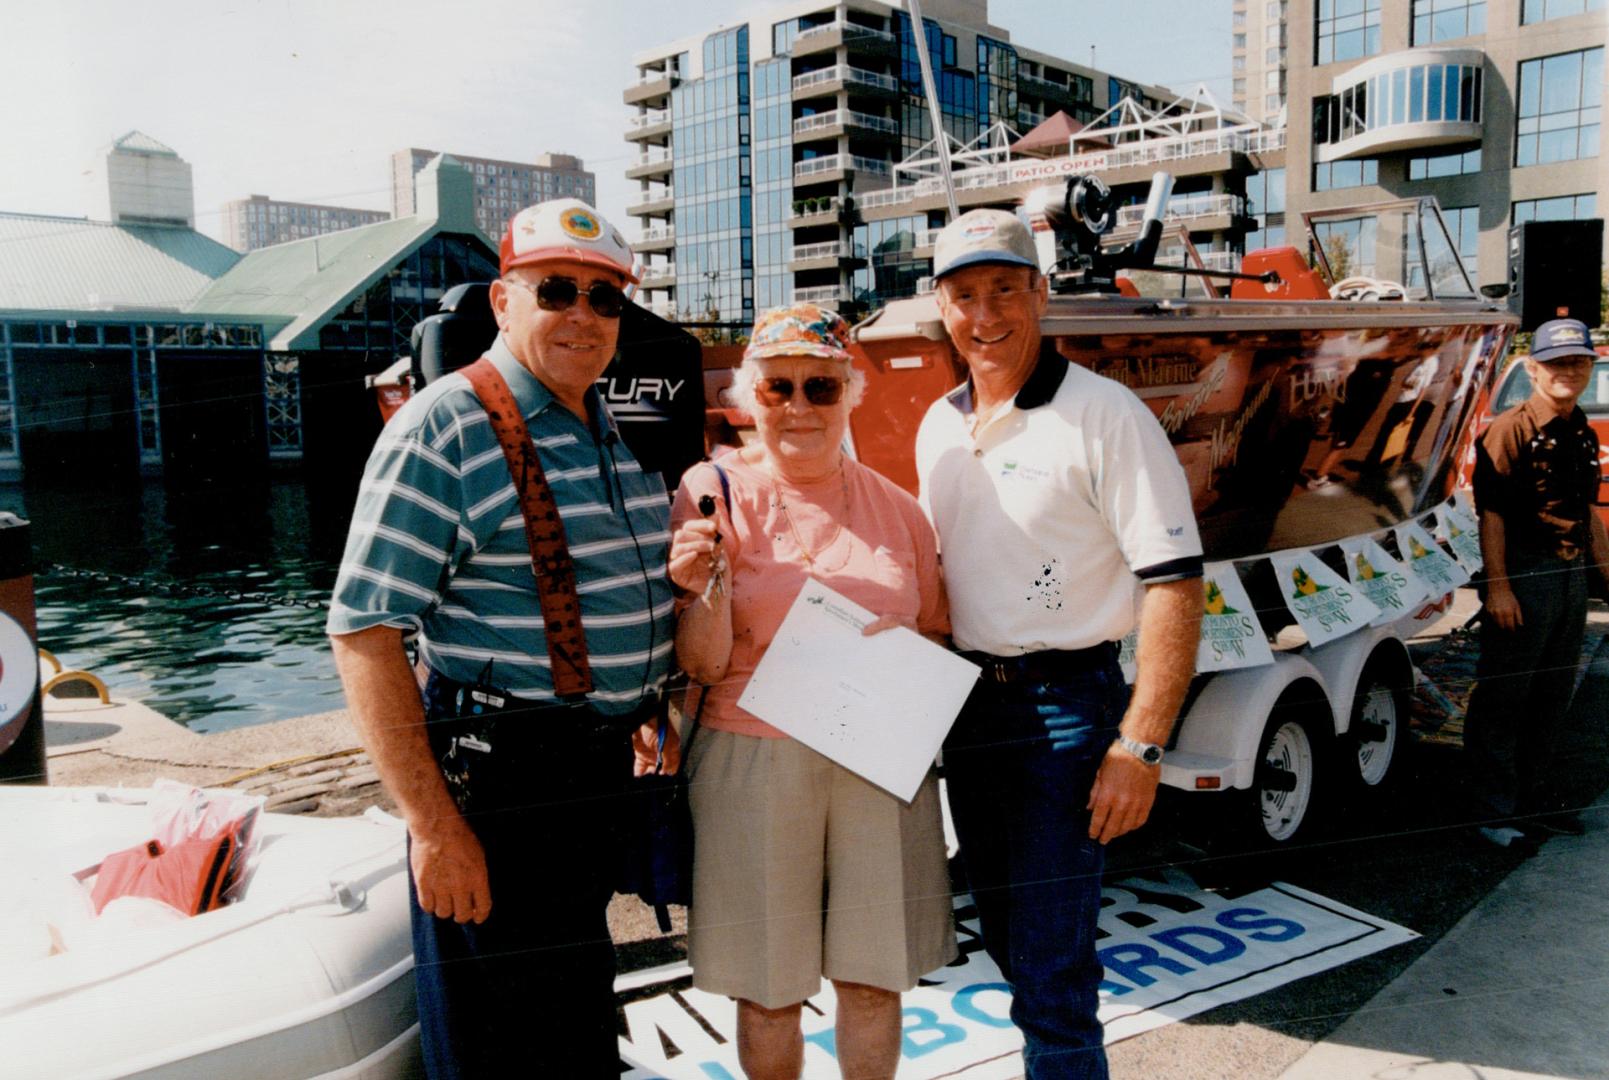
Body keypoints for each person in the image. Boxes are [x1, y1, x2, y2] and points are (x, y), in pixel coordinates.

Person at [327, 199, 675, 1078]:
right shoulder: (445, 425)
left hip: (585, 776)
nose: (584, 317)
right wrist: (434, 827)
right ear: (501, 302)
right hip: (501, 783)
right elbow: (364, 631)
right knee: (503, 1048)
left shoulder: (599, 426)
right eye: (557, 290)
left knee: (573, 1026)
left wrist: (636, 695)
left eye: (607, 301)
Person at [914, 209, 1204, 1080]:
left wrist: (1140, 742)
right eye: (964, 294)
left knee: (1053, 968)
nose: (985, 313)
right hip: (970, 709)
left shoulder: (1103, 414)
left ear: (1041, 293)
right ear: (942, 307)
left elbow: (1175, 583)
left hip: (1066, 711)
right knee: (1005, 934)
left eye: (1004, 289)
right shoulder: (938, 423)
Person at [668, 303, 957, 1080]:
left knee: (872, 978)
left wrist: (901, 661)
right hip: (750, 757)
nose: (799, 407)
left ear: (850, 393)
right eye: (779, 388)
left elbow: (934, 629)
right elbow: (698, 664)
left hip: (873, 755)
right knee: (768, 990)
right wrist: (703, 588)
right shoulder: (711, 488)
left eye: (821, 388)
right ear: (747, 399)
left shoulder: (899, 508)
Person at [1467, 317, 1609, 850]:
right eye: (1556, 363)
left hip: (1569, 577)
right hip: (1525, 573)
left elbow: (1588, 513)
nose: (1567, 371)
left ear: (1589, 367)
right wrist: (1499, 588)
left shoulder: (1577, 429)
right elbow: (1492, 517)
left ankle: (1532, 805)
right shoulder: (1510, 430)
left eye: (1577, 361)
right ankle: (1491, 814)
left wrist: (1606, 576)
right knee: (1506, 695)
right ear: (1532, 369)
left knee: (1551, 696)